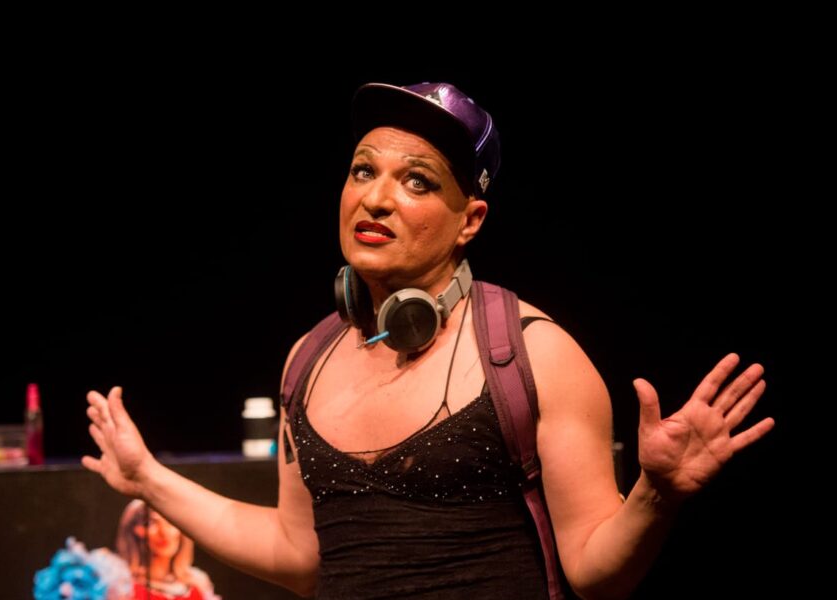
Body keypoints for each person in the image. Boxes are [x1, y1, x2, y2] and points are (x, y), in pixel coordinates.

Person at [83, 81, 774, 599]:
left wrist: (656, 494)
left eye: (416, 181)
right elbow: (299, 554)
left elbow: (595, 574)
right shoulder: (307, 359)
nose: (376, 198)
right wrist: (147, 479)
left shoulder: (533, 355)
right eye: (363, 170)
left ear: (470, 220)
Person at [115, 499, 219, 600]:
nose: (164, 532)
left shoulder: (198, 581)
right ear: (135, 531)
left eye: (171, 522)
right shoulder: (121, 584)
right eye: (151, 523)